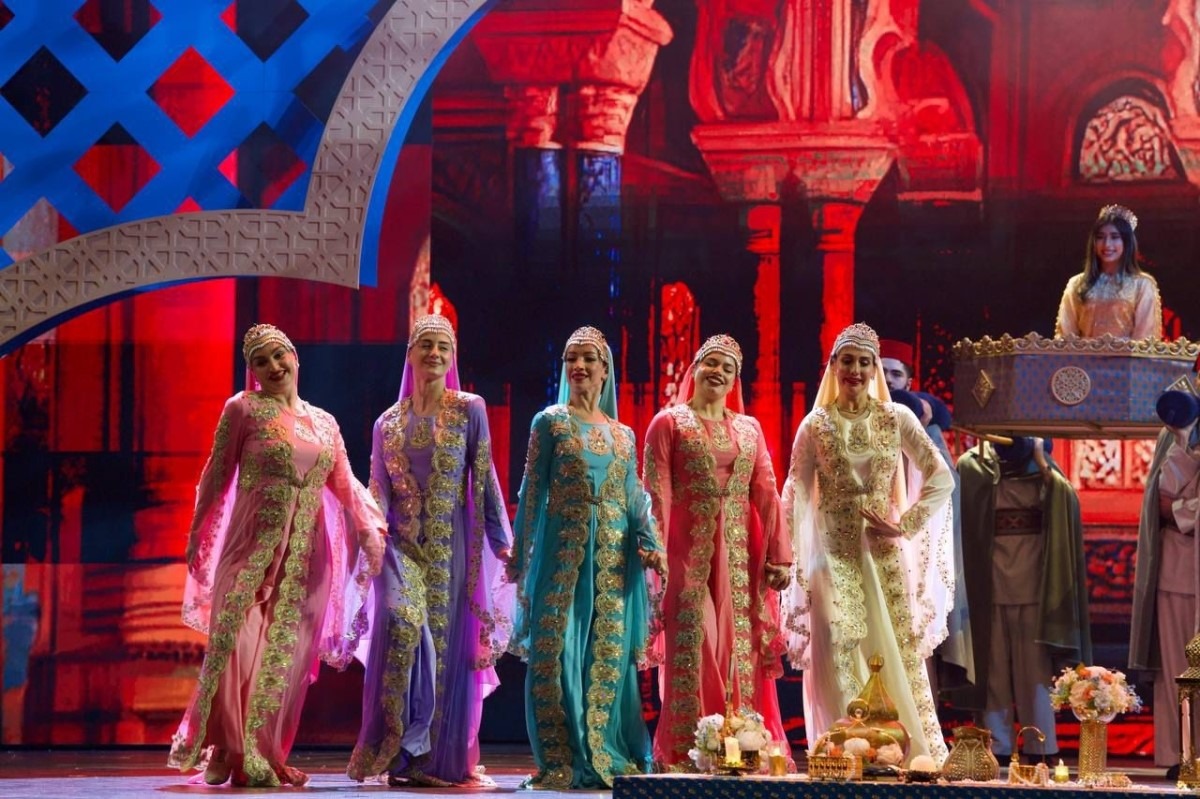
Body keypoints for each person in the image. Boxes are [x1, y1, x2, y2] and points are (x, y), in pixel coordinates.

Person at [168, 324, 386, 787]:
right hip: (249, 548)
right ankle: (225, 746)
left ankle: (258, 751)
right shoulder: (242, 408)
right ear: (252, 371)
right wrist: (197, 533)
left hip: (307, 559)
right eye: (261, 361)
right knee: (235, 644)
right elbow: (216, 475)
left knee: (283, 657)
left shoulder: (324, 423)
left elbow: (345, 484)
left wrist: (370, 529)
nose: (273, 367)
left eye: (278, 355)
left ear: (295, 357)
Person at [347, 314, 514, 787]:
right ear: (410, 355)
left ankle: (431, 760)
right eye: (426, 345)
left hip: (451, 549)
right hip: (398, 549)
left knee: (443, 647)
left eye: (443, 346)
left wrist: (502, 544)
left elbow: (485, 481)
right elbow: (378, 490)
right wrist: (371, 536)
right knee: (401, 623)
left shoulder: (469, 409)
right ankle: (396, 748)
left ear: (452, 356)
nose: (435, 353)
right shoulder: (387, 423)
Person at [782, 322, 954, 765]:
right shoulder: (815, 425)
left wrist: (904, 524)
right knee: (838, 641)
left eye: (864, 362)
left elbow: (941, 477)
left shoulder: (896, 418)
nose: (855, 370)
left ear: (875, 368)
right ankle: (843, 751)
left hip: (882, 555)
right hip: (829, 555)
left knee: (888, 649)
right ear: (833, 367)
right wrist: (786, 554)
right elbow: (795, 491)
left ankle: (894, 751)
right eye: (848, 361)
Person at [507, 325, 665, 789]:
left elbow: (634, 496)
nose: (579, 365)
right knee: (558, 651)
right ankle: (563, 755)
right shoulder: (550, 423)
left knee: (607, 653)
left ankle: (605, 749)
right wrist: (519, 555)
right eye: (571, 358)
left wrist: (651, 543)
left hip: (614, 559)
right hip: (563, 555)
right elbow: (532, 491)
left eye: (588, 358)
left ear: (604, 370)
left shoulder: (623, 435)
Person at [643, 334, 793, 768]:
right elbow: (657, 491)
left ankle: (741, 745)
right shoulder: (668, 423)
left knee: (739, 648)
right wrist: (654, 547)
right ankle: (690, 747)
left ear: (735, 380)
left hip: (741, 555)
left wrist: (779, 556)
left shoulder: (749, 428)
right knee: (696, 641)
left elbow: (766, 490)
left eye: (728, 368)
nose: (718, 372)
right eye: (711, 363)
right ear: (695, 369)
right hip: (686, 552)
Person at [956, 436, 1091, 757]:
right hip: (987, 584)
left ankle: (1040, 744)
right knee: (992, 673)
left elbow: (1067, 502)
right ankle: (998, 746)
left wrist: (1041, 461)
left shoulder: (1041, 466)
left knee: (1034, 674)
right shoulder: (972, 465)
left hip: (1032, 584)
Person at [1130, 390, 1200, 780]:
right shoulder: (1170, 430)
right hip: (1175, 569)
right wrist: (1182, 439)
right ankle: (1180, 753)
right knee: (1176, 666)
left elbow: (1173, 508)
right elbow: (1158, 499)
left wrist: (1180, 511)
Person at [1054, 204, 1162, 340]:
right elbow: (1066, 336)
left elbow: (1145, 338)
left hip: (1127, 354)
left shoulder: (1142, 285)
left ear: (1126, 242)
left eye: (1114, 237)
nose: (1107, 244)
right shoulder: (1077, 284)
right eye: (1101, 237)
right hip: (1084, 354)